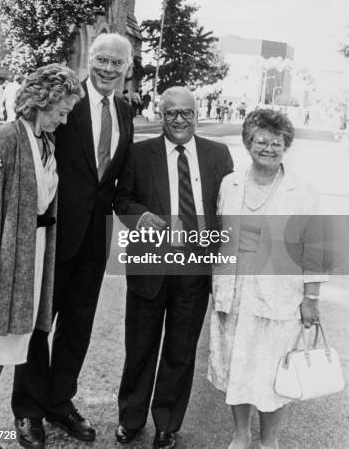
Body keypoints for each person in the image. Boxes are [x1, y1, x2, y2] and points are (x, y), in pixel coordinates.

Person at [0, 33, 134, 448]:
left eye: (117, 62)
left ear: (127, 67)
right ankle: (27, 412)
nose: (108, 69)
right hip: (52, 235)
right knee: (37, 326)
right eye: (101, 59)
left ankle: (60, 402)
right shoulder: (67, 102)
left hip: (95, 238)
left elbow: (116, 182)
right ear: (90, 60)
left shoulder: (125, 112)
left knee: (77, 329)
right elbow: (18, 141)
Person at [0, 64, 81, 449]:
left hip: (32, 256)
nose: (65, 118)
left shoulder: (45, 140)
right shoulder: (8, 136)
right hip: (4, 259)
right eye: (62, 109)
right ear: (42, 100)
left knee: (6, 347)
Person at [114, 87, 233, 449]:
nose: (179, 120)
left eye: (186, 113)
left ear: (197, 114)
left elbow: (230, 204)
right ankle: (131, 419)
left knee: (181, 351)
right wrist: (141, 216)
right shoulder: (139, 153)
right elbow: (121, 200)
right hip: (150, 265)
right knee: (140, 347)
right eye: (171, 113)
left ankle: (167, 422)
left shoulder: (218, 154)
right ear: (160, 114)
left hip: (194, 268)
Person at [208, 108, 327, 449]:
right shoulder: (230, 183)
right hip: (233, 292)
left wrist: (311, 298)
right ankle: (241, 435)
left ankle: (269, 440)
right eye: (261, 141)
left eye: (277, 142)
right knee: (236, 366)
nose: (269, 148)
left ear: (286, 145)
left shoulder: (302, 192)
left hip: (280, 296)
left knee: (274, 371)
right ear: (248, 143)